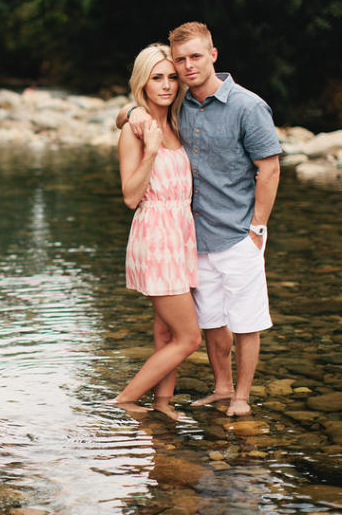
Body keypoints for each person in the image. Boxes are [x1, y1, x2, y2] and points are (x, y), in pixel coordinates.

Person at [115, 22, 281, 416]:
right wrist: (136, 123)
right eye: (169, 70)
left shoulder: (220, 109)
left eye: (177, 72)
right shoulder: (162, 118)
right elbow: (129, 188)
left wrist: (258, 229)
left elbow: (269, 169)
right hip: (172, 239)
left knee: (203, 326)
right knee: (195, 332)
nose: (175, 79)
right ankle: (133, 401)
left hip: (213, 236)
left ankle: (191, 401)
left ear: (213, 55)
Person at [110, 43, 201, 415]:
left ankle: (163, 403)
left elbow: (122, 111)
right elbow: (131, 196)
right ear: (142, 83)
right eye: (156, 78)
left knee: (165, 333)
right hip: (155, 237)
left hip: (180, 236)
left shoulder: (176, 122)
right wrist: (149, 149)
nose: (166, 85)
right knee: (189, 337)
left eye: (171, 77)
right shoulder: (137, 129)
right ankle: (123, 402)